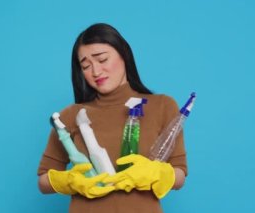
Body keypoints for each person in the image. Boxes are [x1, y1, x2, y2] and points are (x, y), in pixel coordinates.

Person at [37, 23, 188, 213]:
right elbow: (43, 181)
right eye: (86, 65)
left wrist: (156, 174)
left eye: (102, 59)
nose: (96, 71)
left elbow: (179, 174)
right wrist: (69, 181)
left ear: (123, 53)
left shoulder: (162, 106)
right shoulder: (70, 116)